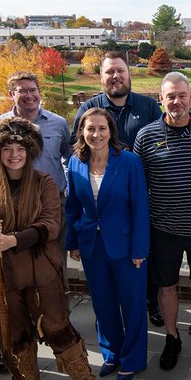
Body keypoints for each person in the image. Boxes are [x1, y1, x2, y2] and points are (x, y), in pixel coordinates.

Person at [0, 118, 117, 380]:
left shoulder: (45, 182)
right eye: (6, 148)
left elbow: (50, 224)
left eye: (19, 148)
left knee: (58, 328)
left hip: (40, 273)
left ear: (30, 151)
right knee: (15, 333)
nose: (13, 154)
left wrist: (13, 240)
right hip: (0, 278)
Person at [134, 72, 191, 371]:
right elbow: (138, 184)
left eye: (182, 95)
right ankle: (172, 337)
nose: (176, 101)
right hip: (163, 230)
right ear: (161, 100)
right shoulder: (146, 136)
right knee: (167, 285)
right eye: (170, 96)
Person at [70, 51, 164, 326]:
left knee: (144, 255)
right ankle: (113, 316)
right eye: (109, 72)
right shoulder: (90, 109)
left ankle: (152, 303)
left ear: (129, 74)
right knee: (112, 266)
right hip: (105, 200)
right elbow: (76, 150)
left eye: (120, 71)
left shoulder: (147, 107)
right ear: (101, 77)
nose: (115, 76)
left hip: (144, 195)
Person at [67, 108, 150, 380]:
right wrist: (73, 242)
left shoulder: (129, 162)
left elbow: (140, 207)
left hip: (126, 247)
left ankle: (133, 359)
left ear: (111, 131)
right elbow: (73, 207)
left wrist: (140, 248)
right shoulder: (76, 163)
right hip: (92, 244)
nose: (96, 134)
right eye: (90, 129)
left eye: (102, 128)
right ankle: (111, 353)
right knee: (103, 304)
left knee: (132, 303)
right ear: (82, 132)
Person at [0, 71, 72, 196]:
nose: (29, 95)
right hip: (13, 201)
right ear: (11, 94)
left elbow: (70, 158)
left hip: (53, 199)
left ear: (38, 91)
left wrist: (69, 185)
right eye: (22, 91)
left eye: (33, 90)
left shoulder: (58, 123)